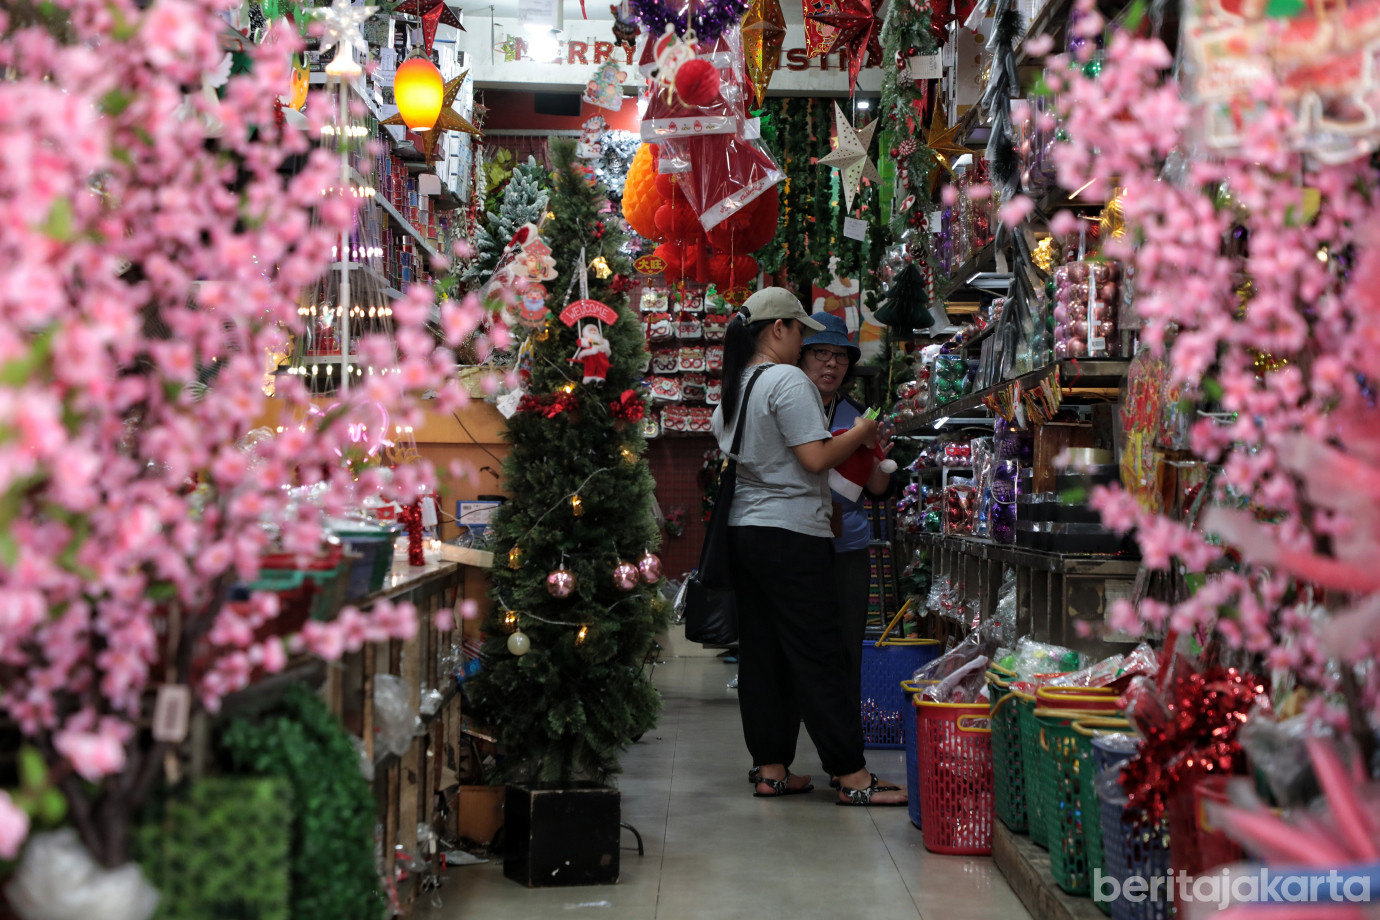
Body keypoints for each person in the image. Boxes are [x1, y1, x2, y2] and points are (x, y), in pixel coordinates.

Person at [711, 287, 905, 806]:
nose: (804, 344)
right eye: (801, 332)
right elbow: (816, 459)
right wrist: (862, 431)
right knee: (820, 653)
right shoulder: (786, 381)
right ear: (778, 329)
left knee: (764, 653)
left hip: (745, 531)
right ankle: (851, 775)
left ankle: (771, 768)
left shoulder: (738, 385)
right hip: (793, 532)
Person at [798, 313, 896, 718]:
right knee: (804, 640)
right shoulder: (790, 405)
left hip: (849, 546)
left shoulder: (857, 415)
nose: (831, 364)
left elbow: (877, 489)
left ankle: (844, 720)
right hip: (799, 543)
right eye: (821, 353)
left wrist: (877, 460)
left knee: (847, 640)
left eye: (840, 356)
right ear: (801, 357)